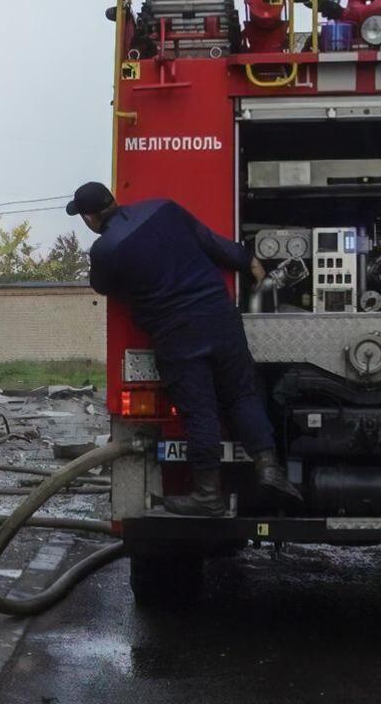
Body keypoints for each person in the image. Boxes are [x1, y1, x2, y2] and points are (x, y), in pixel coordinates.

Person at [69, 180, 301, 517]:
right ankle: (269, 469)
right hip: (220, 317)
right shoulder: (164, 207)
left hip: (177, 334)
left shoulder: (107, 249)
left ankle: (208, 495)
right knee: (241, 394)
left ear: (89, 219)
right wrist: (247, 259)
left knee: (200, 411)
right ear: (113, 199)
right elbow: (210, 243)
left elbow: (102, 285)